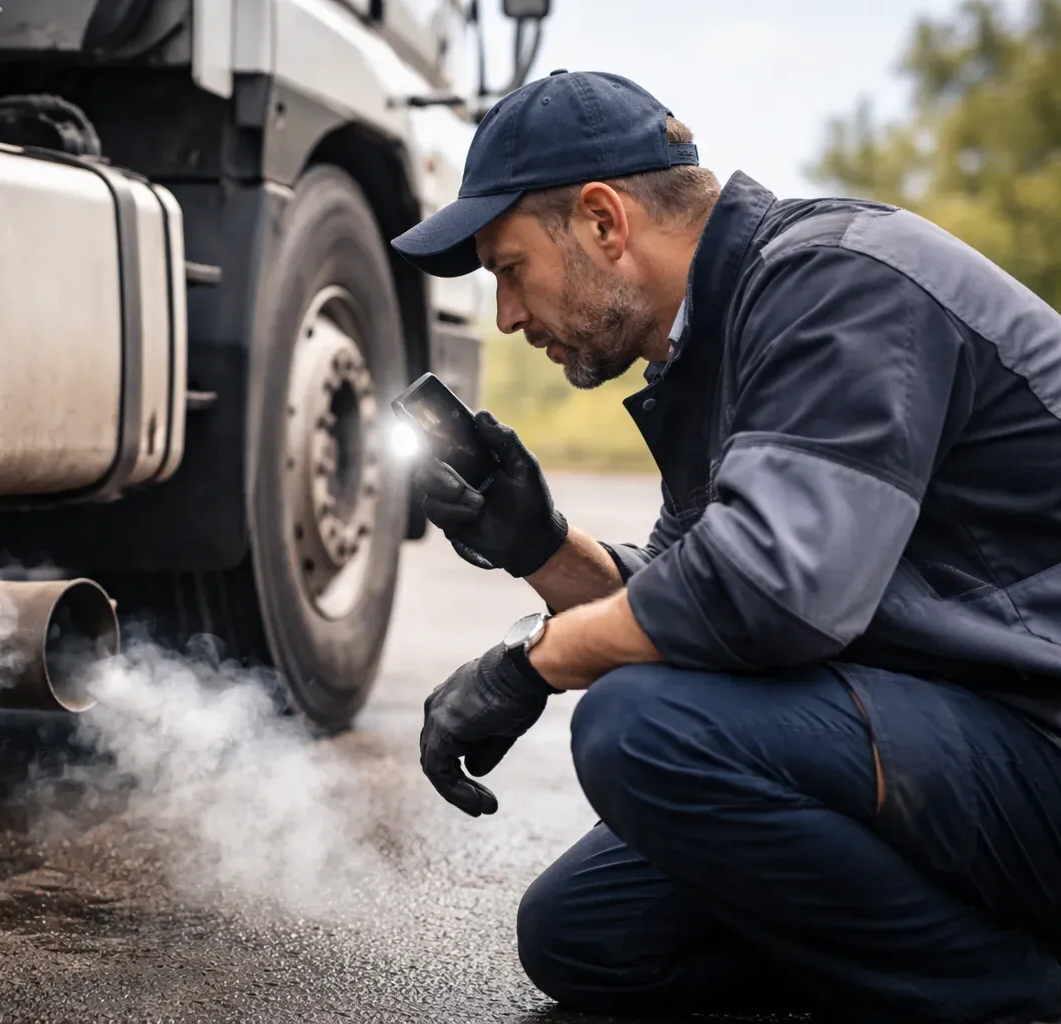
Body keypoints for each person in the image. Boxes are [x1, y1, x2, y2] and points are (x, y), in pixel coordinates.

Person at [390, 68, 1061, 1024]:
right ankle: (929, 960)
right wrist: (538, 547)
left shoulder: (841, 282)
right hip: (965, 740)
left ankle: (1013, 999)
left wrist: (529, 666)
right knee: (584, 935)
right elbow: (689, 601)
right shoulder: (718, 344)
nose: (506, 316)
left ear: (602, 222)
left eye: (508, 269)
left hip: (1036, 736)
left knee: (640, 727)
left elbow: (772, 595)